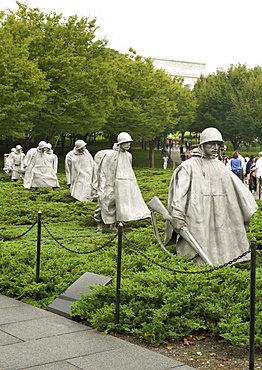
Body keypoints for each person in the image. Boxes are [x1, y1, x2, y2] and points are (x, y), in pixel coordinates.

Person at [164, 127, 258, 266]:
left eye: (217, 144)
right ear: (202, 145)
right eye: (211, 144)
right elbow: (180, 195)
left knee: (219, 245)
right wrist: (177, 214)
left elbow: (238, 192)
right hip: (197, 216)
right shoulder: (188, 167)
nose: (215, 148)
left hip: (219, 215)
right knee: (198, 246)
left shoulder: (220, 166)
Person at [92, 132, 151, 233]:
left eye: (129, 143)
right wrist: (100, 186)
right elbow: (103, 171)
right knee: (104, 203)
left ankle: (112, 224)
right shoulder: (109, 155)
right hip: (109, 184)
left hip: (122, 185)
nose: (128, 145)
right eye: (125, 143)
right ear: (120, 143)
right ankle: (99, 224)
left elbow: (128, 170)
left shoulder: (128, 156)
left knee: (117, 204)